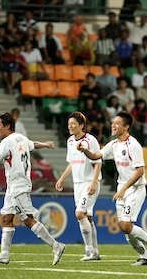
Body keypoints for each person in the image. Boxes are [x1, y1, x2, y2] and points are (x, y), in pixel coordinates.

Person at [0, 112, 66, 265]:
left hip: (18, 186)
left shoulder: (7, 142)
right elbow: (32, 144)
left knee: (28, 220)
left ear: (7, 126)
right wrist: (45, 144)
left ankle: (56, 246)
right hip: (13, 187)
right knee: (7, 218)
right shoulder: (21, 138)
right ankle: (4, 254)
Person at [78, 111, 147, 265]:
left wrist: (123, 189)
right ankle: (144, 256)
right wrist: (85, 150)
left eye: (117, 123)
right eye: (112, 122)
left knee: (126, 225)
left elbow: (140, 170)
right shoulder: (114, 144)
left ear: (126, 127)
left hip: (135, 188)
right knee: (125, 229)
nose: (113, 125)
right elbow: (96, 156)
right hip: (121, 187)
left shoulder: (133, 145)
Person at [55, 111, 102, 261]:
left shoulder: (90, 140)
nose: (70, 126)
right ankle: (95, 251)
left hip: (89, 182)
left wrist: (94, 182)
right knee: (87, 217)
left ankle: (89, 250)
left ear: (81, 125)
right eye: (69, 124)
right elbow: (72, 162)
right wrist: (62, 178)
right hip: (77, 184)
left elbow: (97, 163)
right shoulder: (70, 141)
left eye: (73, 124)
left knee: (79, 214)